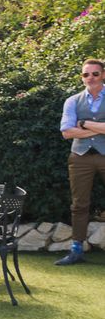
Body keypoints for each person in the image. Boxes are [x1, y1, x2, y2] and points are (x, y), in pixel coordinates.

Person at [57, 58, 105, 265]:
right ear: (81, 77)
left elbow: (75, 128)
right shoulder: (72, 101)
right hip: (80, 157)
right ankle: (76, 249)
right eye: (86, 74)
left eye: (95, 74)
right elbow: (67, 132)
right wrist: (100, 127)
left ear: (103, 75)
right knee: (79, 204)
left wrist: (84, 124)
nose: (90, 78)